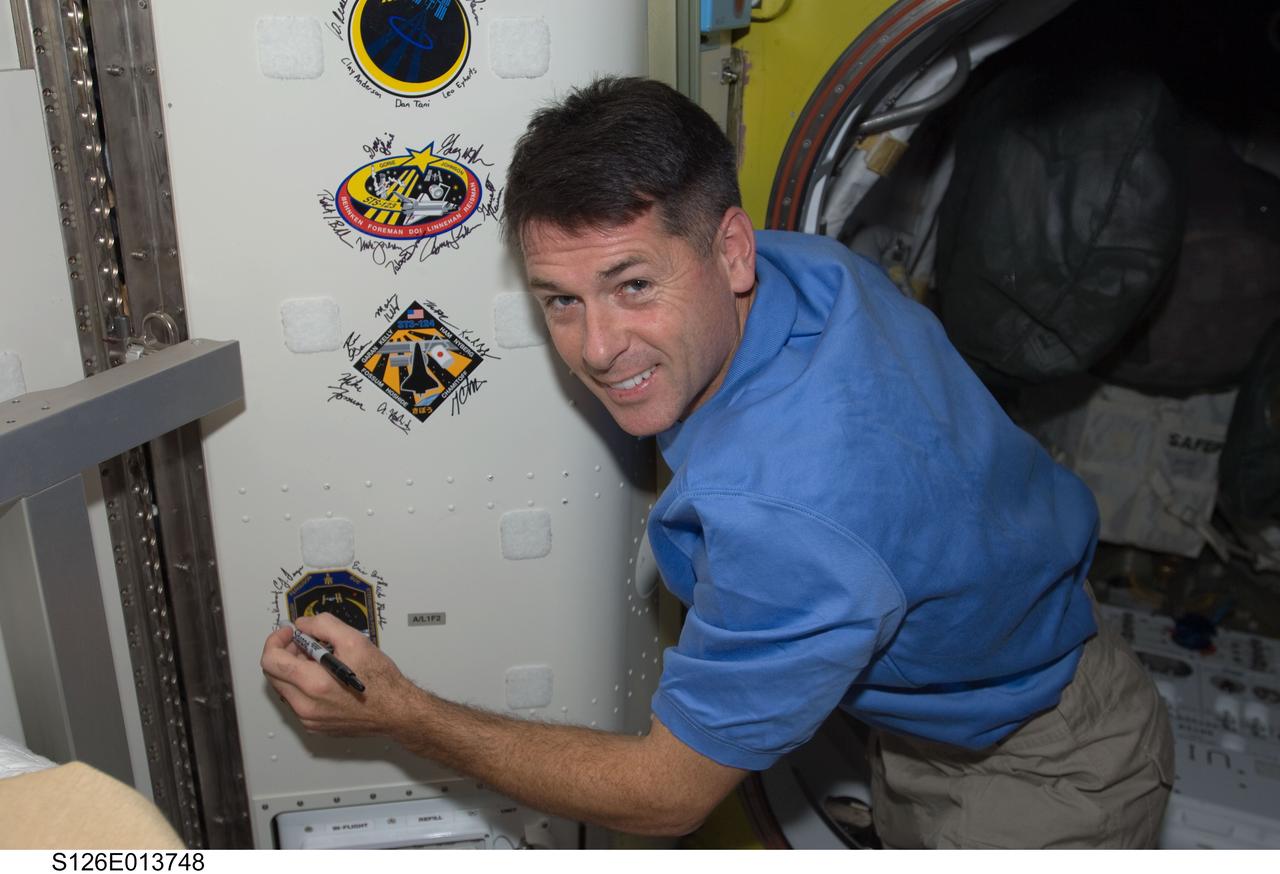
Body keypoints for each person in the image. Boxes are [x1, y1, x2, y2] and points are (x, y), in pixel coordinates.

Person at [262, 76, 1174, 847]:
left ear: (729, 250)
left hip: (1039, 778)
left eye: (632, 286)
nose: (599, 346)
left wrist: (403, 716)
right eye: (561, 300)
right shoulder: (812, 271)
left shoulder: (788, 512)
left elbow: (667, 794)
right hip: (1020, 658)